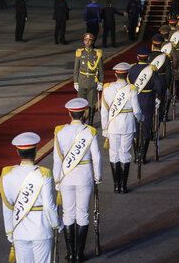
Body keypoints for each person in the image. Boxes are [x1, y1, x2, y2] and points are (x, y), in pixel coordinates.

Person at [0, 132, 61, 263]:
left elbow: (7, 206)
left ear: (18, 152)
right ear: (35, 151)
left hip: (19, 229)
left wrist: (9, 232)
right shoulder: (44, 173)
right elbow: (49, 205)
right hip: (41, 229)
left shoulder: (7, 174)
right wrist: (56, 224)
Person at [53, 98, 102, 263]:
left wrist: (57, 181)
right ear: (85, 113)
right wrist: (98, 176)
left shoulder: (60, 132)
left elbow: (57, 160)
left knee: (68, 214)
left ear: (69, 113)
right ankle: (79, 254)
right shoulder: (89, 132)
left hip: (66, 177)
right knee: (82, 214)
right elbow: (96, 157)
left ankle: (70, 253)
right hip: (84, 177)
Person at [100, 62, 142, 194]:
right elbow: (137, 111)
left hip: (112, 126)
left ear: (115, 74)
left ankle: (116, 185)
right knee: (125, 153)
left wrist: (104, 128)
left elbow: (104, 111)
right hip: (127, 125)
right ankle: (123, 186)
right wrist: (141, 119)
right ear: (127, 75)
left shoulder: (107, 89)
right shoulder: (131, 89)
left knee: (114, 153)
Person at [128, 46, 163, 164]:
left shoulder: (131, 69)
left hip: (134, 100)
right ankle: (142, 156)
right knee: (147, 127)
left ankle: (136, 154)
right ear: (148, 58)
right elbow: (159, 86)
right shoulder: (151, 70)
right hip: (148, 100)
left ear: (137, 57)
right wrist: (158, 98)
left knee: (134, 129)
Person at [73, 33, 104, 125]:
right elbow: (76, 69)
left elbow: (101, 69)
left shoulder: (97, 53)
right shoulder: (80, 52)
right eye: (86, 40)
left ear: (92, 41)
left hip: (92, 81)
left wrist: (101, 82)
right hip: (82, 81)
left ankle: (90, 122)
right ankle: (81, 121)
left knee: (91, 104)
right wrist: (75, 82)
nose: (87, 42)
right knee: (81, 103)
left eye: (89, 40)